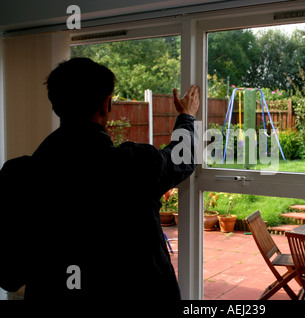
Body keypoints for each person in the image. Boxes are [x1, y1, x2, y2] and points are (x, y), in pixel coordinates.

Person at [0, 57, 199, 302]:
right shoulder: (133, 164)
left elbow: (9, 275)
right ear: (106, 104)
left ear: (56, 104)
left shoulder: (19, 175)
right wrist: (187, 117)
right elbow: (182, 159)